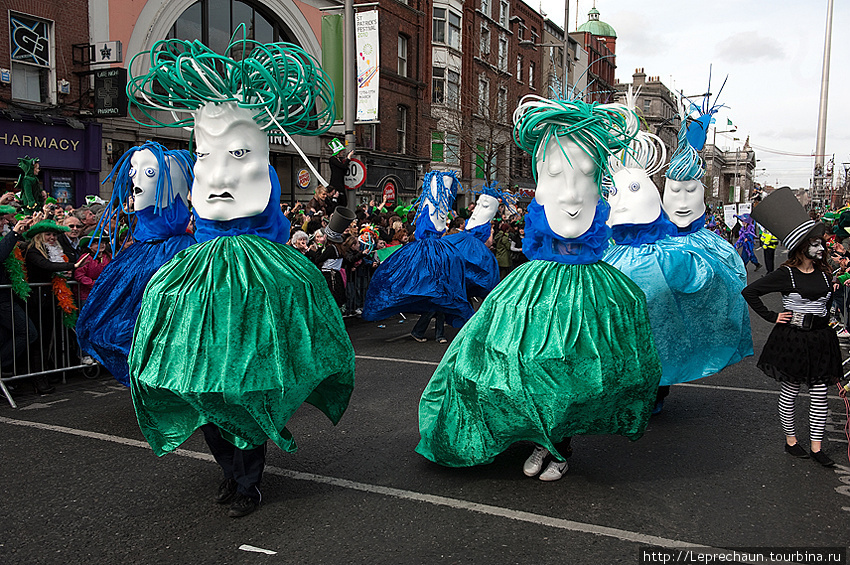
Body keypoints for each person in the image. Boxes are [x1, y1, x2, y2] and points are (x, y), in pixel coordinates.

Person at [126, 33, 353, 519]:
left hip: (254, 306)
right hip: (207, 291)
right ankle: (230, 472)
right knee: (207, 396)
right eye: (205, 155)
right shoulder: (186, 267)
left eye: (236, 154)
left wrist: (334, 181)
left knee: (248, 395)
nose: (219, 173)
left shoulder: (270, 226)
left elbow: (313, 225)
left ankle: (249, 482)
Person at [417, 95, 661, 481]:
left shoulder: (611, 271)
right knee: (524, 366)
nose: (570, 193)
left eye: (583, 177)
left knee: (572, 375)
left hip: (590, 283)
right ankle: (540, 440)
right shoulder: (529, 262)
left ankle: (559, 448)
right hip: (539, 281)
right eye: (555, 176)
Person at [75, 142, 197, 387]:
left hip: (169, 251)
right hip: (143, 253)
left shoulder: (183, 251)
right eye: (133, 172)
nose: (136, 181)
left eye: (149, 173)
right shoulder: (137, 250)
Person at [742, 187, 841, 468]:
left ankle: (817, 447)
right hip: (794, 338)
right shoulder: (785, 274)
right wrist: (773, 316)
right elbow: (750, 292)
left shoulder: (825, 272)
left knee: (820, 394)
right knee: (791, 392)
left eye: (821, 243)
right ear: (802, 247)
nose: (821, 248)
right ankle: (791, 441)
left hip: (822, 338)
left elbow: (828, 300)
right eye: (816, 244)